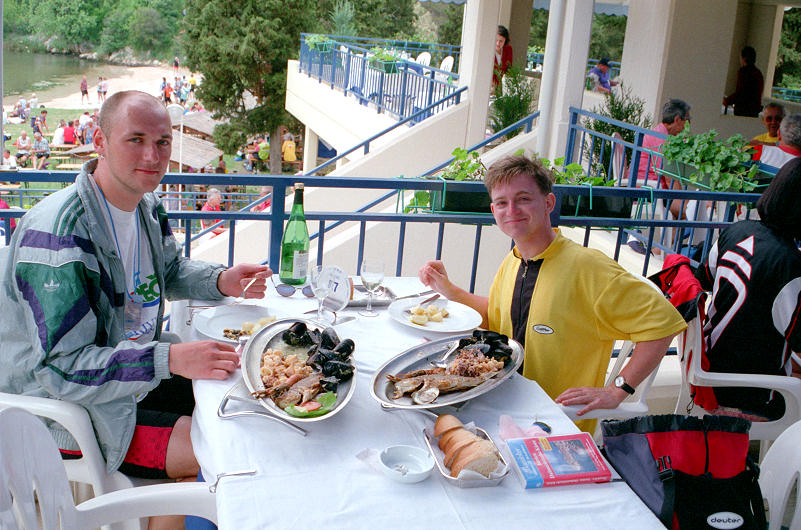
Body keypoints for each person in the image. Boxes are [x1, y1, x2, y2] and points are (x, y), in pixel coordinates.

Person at [0, 92, 270, 526]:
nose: (152, 156)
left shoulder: (145, 207)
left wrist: (222, 280)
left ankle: (171, 506)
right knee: (221, 450)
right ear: (100, 142)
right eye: (136, 139)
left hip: (132, 374)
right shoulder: (59, 238)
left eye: (163, 142)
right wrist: (170, 357)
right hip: (74, 410)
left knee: (246, 400)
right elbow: (63, 369)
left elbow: (169, 268)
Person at [418, 156, 686, 426]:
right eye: (502, 202)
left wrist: (618, 389)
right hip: (503, 409)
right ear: (493, 210)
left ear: (548, 203)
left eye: (523, 198)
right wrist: (448, 289)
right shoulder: (513, 261)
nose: (511, 209)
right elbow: (495, 316)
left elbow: (664, 323)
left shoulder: (587, 267)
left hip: (556, 424)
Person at [695, 157, 801, 421]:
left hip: (706, 369)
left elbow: (703, 280)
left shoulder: (734, 231)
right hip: (752, 393)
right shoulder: (790, 264)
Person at [633, 98, 692, 230]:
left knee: (689, 210)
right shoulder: (662, 140)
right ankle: (660, 249)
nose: (688, 125)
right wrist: (685, 201)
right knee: (689, 214)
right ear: (677, 119)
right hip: (649, 191)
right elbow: (670, 177)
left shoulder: (661, 133)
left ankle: (662, 247)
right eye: (687, 120)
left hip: (655, 189)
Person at [723, 45, 764, 117]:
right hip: (754, 110)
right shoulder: (758, 73)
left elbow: (741, 92)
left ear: (744, 58)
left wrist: (727, 101)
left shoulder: (744, 72)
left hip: (743, 110)